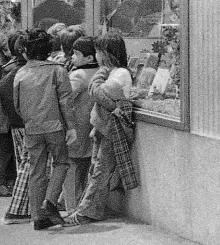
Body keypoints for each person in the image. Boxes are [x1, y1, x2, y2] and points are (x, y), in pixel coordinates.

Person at [12, 29, 75, 230]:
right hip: (55, 126)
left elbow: (17, 104)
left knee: (36, 170)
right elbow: (66, 101)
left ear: (25, 52)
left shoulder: (20, 73)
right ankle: (50, 200)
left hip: (32, 127)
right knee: (61, 162)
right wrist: (71, 127)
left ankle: (37, 217)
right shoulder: (58, 70)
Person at [72, 33, 138, 224]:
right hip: (103, 127)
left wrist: (99, 74)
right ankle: (87, 207)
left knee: (101, 169)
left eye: (99, 52)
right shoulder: (112, 72)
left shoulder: (119, 73)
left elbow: (97, 93)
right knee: (96, 168)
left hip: (113, 129)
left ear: (106, 53)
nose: (96, 55)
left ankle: (89, 211)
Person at [63, 35, 99, 210]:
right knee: (85, 166)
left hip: (77, 125)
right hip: (90, 125)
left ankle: (71, 204)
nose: (72, 57)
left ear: (89, 58)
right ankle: (79, 202)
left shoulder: (78, 75)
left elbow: (65, 96)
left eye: (76, 54)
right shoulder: (99, 72)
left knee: (72, 166)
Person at [0, 31, 24, 201]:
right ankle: (0, 183)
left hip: (4, 115)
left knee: (9, 151)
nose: (9, 53)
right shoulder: (5, 68)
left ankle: (6, 181)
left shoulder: (4, 67)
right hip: (5, 116)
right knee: (5, 152)